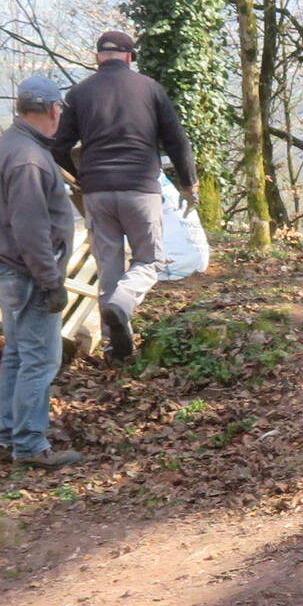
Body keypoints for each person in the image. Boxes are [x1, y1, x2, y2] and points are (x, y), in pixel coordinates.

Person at [54, 28, 201, 360]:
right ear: (130, 57)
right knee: (150, 260)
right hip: (140, 188)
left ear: (97, 58)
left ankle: (114, 349)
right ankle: (122, 304)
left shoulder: (79, 93)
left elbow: (59, 147)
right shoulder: (150, 88)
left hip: (97, 193)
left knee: (109, 268)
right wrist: (188, 184)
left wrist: (81, 178)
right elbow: (177, 140)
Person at [0, 82, 82, 470]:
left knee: (19, 353)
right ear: (53, 110)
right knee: (40, 359)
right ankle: (30, 445)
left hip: (9, 267)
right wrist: (50, 282)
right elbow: (31, 228)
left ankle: (9, 434)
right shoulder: (29, 158)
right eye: (60, 110)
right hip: (27, 272)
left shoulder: (7, 145)